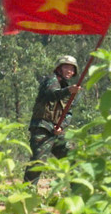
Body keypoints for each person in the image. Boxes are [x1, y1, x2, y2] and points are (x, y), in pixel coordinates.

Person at [23, 55, 82, 186]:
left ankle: (78, 189)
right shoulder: (50, 80)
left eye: (72, 69)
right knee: (38, 162)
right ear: (59, 68)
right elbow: (52, 94)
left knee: (71, 159)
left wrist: (62, 127)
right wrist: (68, 90)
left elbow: (69, 113)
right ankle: (26, 192)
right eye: (66, 67)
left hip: (57, 131)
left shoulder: (72, 91)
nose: (69, 71)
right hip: (42, 127)